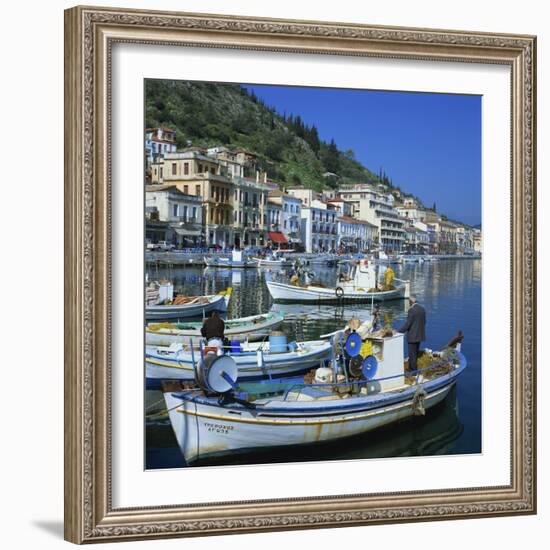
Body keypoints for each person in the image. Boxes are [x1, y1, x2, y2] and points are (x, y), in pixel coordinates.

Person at [398, 296, 426, 373]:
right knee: (415, 352)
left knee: (412, 353)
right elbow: (424, 322)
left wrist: (398, 332)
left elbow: (408, 324)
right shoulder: (422, 309)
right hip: (420, 335)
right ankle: (413, 368)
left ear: (411, 302)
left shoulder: (411, 310)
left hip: (412, 336)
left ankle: (412, 370)